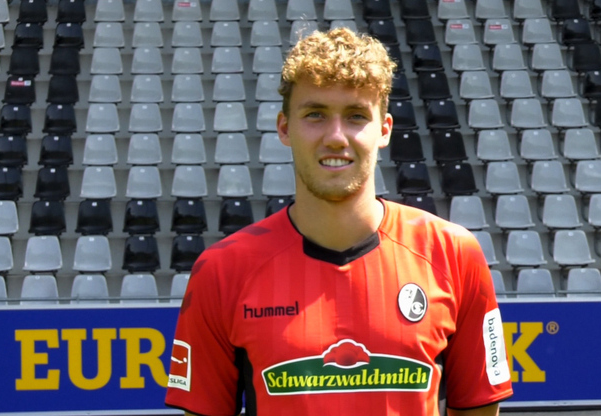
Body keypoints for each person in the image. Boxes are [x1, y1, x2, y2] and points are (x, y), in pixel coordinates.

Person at [165, 28, 513, 416]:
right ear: (284, 128)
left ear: (384, 130)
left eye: (355, 116)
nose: (335, 137)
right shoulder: (222, 271)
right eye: (315, 114)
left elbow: (478, 409)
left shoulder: (453, 255)